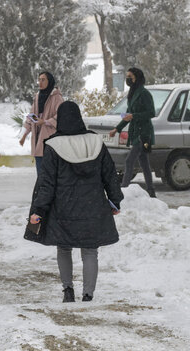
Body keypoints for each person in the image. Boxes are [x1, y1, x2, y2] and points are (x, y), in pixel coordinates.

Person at [28, 101, 124, 302]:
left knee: (64, 248)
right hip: (93, 207)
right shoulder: (96, 142)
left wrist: (38, 210)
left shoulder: (54, 146)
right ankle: (88, 294)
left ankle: (68, 291)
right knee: (90, 250)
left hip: (63, 209)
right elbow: (110, 175)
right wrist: (115, 200)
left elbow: (47, 185)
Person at [108, 67, 156, 198]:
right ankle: (151, 191)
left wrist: (134, 116)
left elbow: (151, 113)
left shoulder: (144, 94)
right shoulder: (132, 93)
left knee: (129, 161)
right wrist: (116, 129)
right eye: (127, 76)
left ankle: (123, 190)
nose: (128, 79)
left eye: (130, 76)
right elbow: (128, 115)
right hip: (136, 132)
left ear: (137, 78)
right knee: (144, 162)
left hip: (143, 133)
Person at [19, 71, 64, 174]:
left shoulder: (57, 97)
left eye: (43, 80)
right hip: (38, 142)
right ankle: (42, 190)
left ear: (50, 81)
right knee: (41, 175)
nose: (40, 82)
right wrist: (24, 135)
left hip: (50, 142)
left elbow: (61, 116)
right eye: (39, 80)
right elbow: (31, 116)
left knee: (50, 175)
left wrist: (45, 122)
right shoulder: (38, 96)